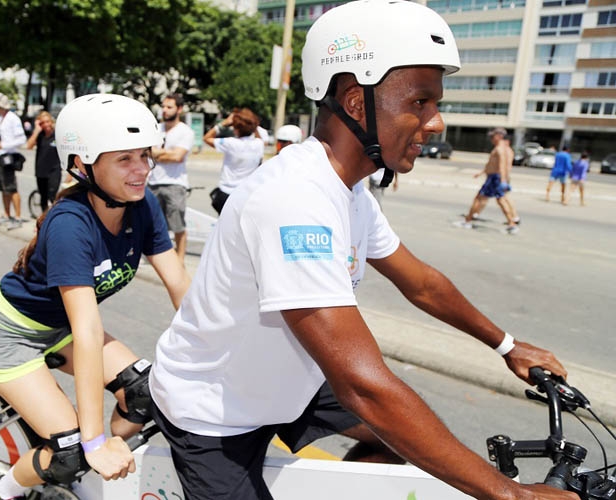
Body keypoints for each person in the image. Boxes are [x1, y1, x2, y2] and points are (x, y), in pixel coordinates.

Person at [148, 2, 574, 499]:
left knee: (405, 438)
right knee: (388, 411)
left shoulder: (350, 190)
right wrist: (512, 494)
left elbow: (422, 282)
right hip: (215, 411)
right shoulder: (295, 199)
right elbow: (363, 385)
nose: (436, 123)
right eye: (420, 101)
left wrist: (506, 345)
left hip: (290, 382)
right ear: (355, 102)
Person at [0, 94, 190, 500]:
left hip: (61, 328)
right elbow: (88, 331)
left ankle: (100, 467)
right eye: (124, 159)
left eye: (145, 155)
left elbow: (179, 284)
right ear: (83, 165)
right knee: (70, 453)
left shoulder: (143, 204)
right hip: (10, 337)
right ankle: (1, 489)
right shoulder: (70, 225)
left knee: (145, 392)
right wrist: (91, 442)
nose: (141, 170)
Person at [148, 94, 195, 266]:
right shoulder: (156, 129)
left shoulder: (185, 132)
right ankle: (155, 255)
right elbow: (146, 152)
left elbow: (177, 157)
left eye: (169, 107)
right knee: (153, 222)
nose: (165, 110)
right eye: (164, 106)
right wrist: (164, 153)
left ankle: (180, 258)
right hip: (153, 181)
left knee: (177, 224)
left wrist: (157, 153)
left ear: (179, 109)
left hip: (175, 183)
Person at [203, 107, 265, 214]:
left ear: (236, 128)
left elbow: (207, 138)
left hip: (226, 193)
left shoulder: (230, 143)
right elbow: (258, 137)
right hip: (246, 194)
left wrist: (224, 123)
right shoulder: (259, 144)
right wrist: (252, 125)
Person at [457, 128, 519, 233]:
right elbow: (491, 164)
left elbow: (502, 164)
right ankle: (511, 224)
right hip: (494, 177)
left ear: (499, 136)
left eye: (492, 136)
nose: (491, 139)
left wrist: (504, 180)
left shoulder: (501, 149)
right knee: (497, 200)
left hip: (495, 178)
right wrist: (481, 173)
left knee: (483, 199)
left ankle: (468, 221)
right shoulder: (498, 148)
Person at [0, 92, 27, 230]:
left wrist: (2, 145)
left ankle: (18, 217)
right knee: (3, 188)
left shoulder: (12, 118)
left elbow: (21, 140)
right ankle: (7, 214)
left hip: (7, 157)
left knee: (11, 188)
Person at [25, 111, 61, 215]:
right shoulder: (39, 135)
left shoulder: (57, 135)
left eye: (47, 122)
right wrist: (36, 130)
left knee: (53, 196)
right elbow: (29, 146)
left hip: (54, 170)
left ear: (51, 122)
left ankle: (53, 217)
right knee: (43, 197)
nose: (46, 125)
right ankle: (44, 219)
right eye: (43, 123)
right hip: (41, 171)